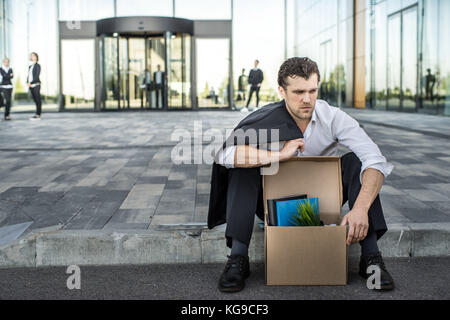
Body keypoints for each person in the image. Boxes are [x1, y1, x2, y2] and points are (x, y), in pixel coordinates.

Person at [209, 57, 395, 293]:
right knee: (242, 167)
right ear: (281, 91)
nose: (307, 99)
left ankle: (371, 258)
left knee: (358, 163)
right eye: (298, 92)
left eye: (312, 91)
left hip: (321, 201)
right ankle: (237, 258)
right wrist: (277, 155)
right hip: (271, 204)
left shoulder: (333, 117)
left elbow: (376, 159)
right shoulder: (265, 118)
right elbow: (224, 155)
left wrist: (359, 208)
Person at [27, 52, 42, 120]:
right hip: (31, 85)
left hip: (36, 85)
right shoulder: (30, 66)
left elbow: (36, 76)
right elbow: (29, 76)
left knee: (38, 100)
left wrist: (31, 82)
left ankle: (38, 115)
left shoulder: (38, 66)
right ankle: (37, 113)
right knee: (35, 100)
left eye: (34, 55)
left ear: (36, 57)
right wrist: (27, 82)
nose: (32, 57)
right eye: (31, 56)